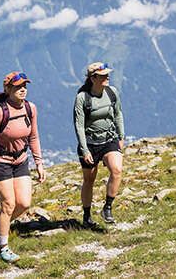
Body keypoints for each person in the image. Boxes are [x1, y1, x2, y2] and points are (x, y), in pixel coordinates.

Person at [0, 71, 45, 262]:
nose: (23, 89)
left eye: (24, 86)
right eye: (18, 87)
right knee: (8, 204)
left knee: (24, 203)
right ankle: (3, 247)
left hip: (20, 159)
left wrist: (39, 163)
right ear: (8, 89)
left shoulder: (30, 108)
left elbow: (33, 136)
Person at [74, 62, 125, 228]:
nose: (107, 77)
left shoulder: (112, 92)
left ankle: (107, 208)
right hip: (90, 144)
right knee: (89, 180)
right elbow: (79, 125)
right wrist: (84, 149)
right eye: (103, 75)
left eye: (107, 74)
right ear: (93, 78)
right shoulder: (83, 98)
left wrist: (121, 136)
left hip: (109, 139)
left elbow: (118, 114)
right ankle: (87, 216)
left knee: (116, 170)